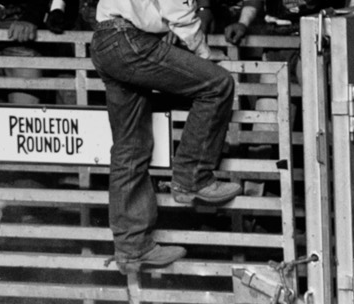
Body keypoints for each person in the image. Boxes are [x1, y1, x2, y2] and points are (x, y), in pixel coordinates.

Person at [89, 0, 241, 274]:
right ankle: (192, 178)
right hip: (129, 39)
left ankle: (132, 248)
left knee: (130, 146)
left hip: (105, 39)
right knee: (218, 84)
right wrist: (204, 54)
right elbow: (177, 9)